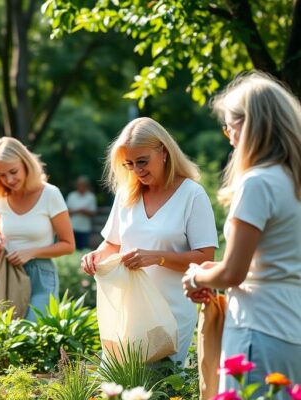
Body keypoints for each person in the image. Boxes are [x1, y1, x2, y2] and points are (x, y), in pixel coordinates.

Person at [183, 72, 301, 397]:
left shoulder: (257, 183)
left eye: (230, 126)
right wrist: (213, 272)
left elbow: (234, 273)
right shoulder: (293, 182)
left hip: (257, 326)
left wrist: (195, 277)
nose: (229, 136)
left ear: (250, 125)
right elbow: (267, 260)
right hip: (292, 324)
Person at [81, 117, 218, 366]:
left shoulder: (192, 195)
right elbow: (112, 244)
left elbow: (206, 258)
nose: (136, 170)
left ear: (164, 152)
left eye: (142, 161)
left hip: (172, 313)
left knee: (160, 386)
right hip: (129, 311)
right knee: (118, 385)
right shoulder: (126, 194)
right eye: (129, 164)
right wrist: (95, 256)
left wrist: (157, 256)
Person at [0, 137, 75, 321]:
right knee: (5, 340)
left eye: (13, 171)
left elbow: (68, 245)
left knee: (30, 333)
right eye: (1, 175)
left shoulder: (50, 194)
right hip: (6, 275)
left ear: (26, 164)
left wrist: (32, 252)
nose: (9, 179)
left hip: (41, 276)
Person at [66, 176, 98, 250]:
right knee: (71, 250)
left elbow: (93, 213)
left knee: (83, 250)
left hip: (85, 228)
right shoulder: (71, 195)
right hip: (72, 228)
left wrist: (83, 211)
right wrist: (79, 210)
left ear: (86, 186)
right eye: (79, 184)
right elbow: (66, 212)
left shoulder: (91, 197)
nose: (80, 186)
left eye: (83, 185)